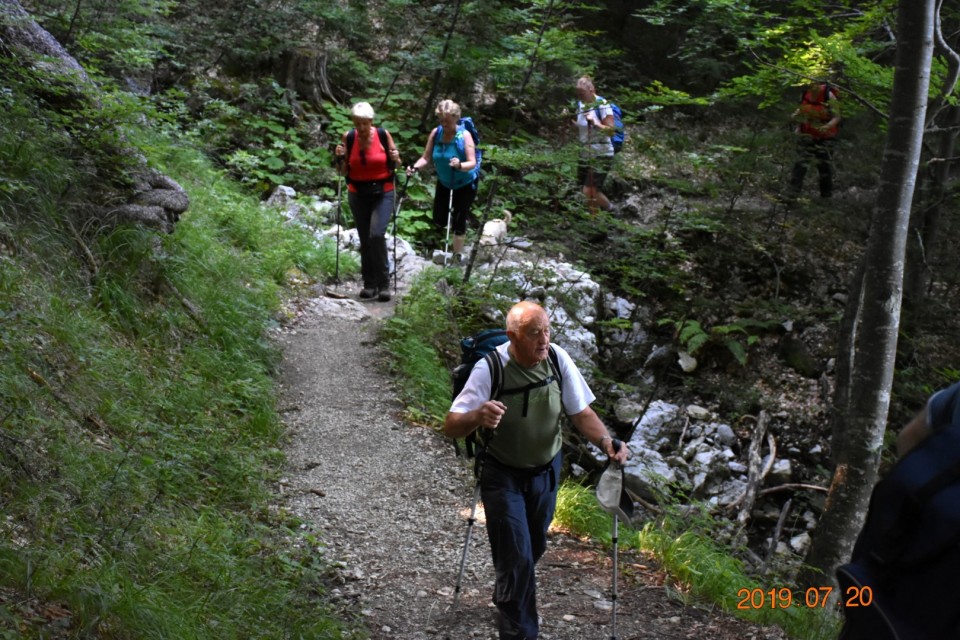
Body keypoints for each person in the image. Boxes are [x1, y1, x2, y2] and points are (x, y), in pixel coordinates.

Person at [445, 301, 629, 640]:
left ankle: (506, 596)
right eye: (534, 334)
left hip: (546, 470)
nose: (544, 339)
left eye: (547, 330)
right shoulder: (490, 368)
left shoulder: (557, 359)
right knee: (516, 554)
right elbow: (452, 425)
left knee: (532, 548)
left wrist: (606, 441)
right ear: (513, 336)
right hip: (501, 473)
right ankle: (520, 630)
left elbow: (581, 412)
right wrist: (477, 416)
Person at [335, 102, 401, 301]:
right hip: (357, 192)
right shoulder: (349, 137)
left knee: (376, 234)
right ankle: (369, 284)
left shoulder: (383, 135)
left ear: (371, 122)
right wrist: (339, 157)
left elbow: (396, 163)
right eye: (357, 124)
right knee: (365, 238)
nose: (361, 128)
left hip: (383, 191)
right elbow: (342, 172)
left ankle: (384, 283)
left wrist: (397, 158)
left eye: (364, 124)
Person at [407, 99, 478, 263]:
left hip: (464, 183)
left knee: (459, 218)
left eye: (447, 119)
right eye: (441, 119)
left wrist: (459, 165)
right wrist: (415, 168)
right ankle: (443, 244)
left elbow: (472, 162)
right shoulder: (436, 133)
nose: (443, 123)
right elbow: (426, 158)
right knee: (439, 217)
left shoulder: (464, 135)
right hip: (445, 182)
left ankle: (456, 255)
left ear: (456, 118)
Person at [785, 81, 841, 203]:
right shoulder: (806, 93)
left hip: (825, 138)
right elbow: (802, 108)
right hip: (806, 135)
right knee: (799, 166)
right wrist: (794, 116)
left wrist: (826, 127)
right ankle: (791, 196)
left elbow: (837, 117)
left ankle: (826, 197)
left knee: (824, 167)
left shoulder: (829, 95)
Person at [573, 76, 616, 215]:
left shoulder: (602, 104)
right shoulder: (580, 105)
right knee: (587, 191)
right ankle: (603, 214)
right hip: (585, 153)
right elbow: (581, 128)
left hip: (602, 153)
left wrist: (596, 123)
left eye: (582, 93)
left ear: (592, 90)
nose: (580, 96)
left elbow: (611, 131)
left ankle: (602, 219)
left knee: (588, 191)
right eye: (578, 94)